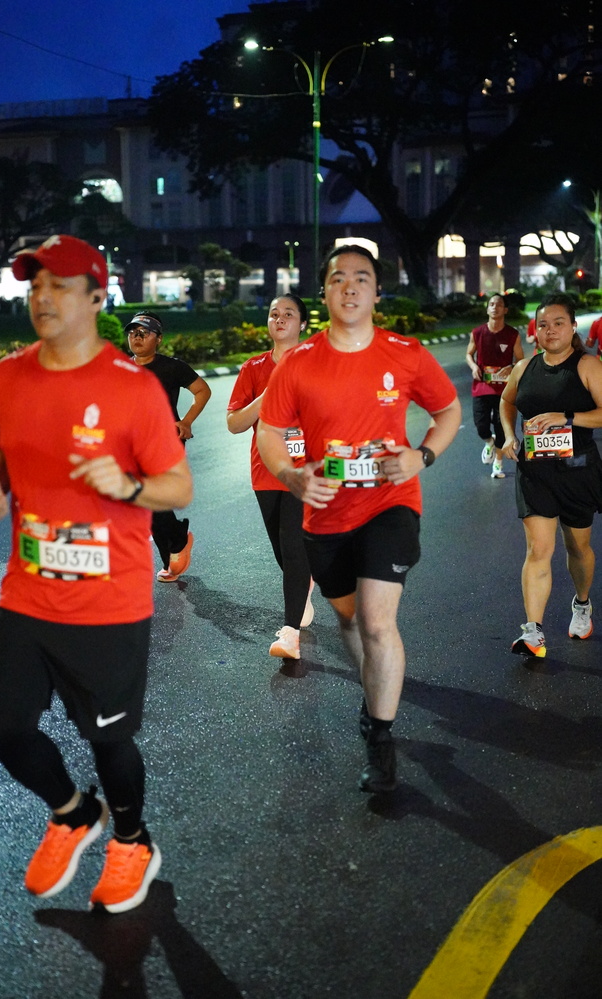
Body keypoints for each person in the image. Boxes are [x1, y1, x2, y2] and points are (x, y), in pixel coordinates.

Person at [0, 235, 193, 913]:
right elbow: (3, 449)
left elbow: (177, 485)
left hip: (109, 601)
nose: (43, 297)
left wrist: (128, 486)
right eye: (36, 285)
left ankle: (132, 839)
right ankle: (73, 813)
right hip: (28, 590)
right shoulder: (6, 377)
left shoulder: (132, 387)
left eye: (60, 285)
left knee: (107, 737)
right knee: (4, 726)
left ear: (98, 299)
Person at [256, 244, 461, 793]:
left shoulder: (405, 353)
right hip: (325, 514)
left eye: (362, 278)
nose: (350, 286)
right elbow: (269, 432)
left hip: (390, 503)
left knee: (375, 622)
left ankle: (380, 737)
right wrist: (292, 476)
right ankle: (374, 700)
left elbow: (447, 411)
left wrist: (421, 456)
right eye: (338, 278)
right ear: (324, 292)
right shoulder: (299, 362)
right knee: (348, 622)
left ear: (376, 292)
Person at [500, 292, 602, 658]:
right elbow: (507, 400)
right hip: (535, 471)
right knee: (538, 549)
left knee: (578, 547)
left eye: (559, 323)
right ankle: (533, 631)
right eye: (543, 324)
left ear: (573, 327)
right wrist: (509, 435)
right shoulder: (524, 368)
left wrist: (567, 417)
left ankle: (582, 603)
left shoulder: (587, 366)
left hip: (577, 471)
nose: (550, 330)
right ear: (536, 330)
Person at [227, 294, 313, 660]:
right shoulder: (253, 368)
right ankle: (304, 582)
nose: (279, 319)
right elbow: (234, 424)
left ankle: (290, 633)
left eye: (288, 314)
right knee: (284, 553)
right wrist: (266, 396)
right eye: (274, 314)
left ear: (303, 324)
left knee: (293, 548)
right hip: (265, 471)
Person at [125, 310, 211, 582]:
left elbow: (202, 390)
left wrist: (186, 421)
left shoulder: (172, 367)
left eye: (144, 333)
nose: (137, 337)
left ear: (159, 339)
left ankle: (177, 544)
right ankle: (174, 551)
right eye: (133, 332)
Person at [465, 293, 524, 479]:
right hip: (482, 386)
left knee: (501, 427)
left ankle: (498, 464)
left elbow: (520, 360)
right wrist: (474, 367)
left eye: (499, 305)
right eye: (491, 304)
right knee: (481, 425)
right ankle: (489, 442)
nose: (494, 307)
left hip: (504, 390)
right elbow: (469, 354)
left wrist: (511, 367)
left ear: (505, 310)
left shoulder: (512, 335)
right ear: (487, 309)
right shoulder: (478, 333)